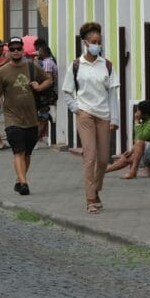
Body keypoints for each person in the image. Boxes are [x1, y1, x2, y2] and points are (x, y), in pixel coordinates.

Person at [0, 36, 52, 195]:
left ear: (22, 50)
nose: (15, 51)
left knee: (27, 153)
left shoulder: (32, 67)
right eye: (12, 49)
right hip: (12, 118)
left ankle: (19, 179)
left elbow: (48, 79)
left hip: (31, 118)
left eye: (18, 49)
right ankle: (24, 183)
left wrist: (40, 86)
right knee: (18, 151)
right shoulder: (1, 72)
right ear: (8, 51)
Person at [63, 22, 120, 214]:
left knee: (104, 159)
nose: (97, 45)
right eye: (93, 42)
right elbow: (67, 92)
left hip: (103, 114)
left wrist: (115, 119)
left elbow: (112, 94)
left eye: (99, 42)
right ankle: (90, 199)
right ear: (85, 43)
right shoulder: (76, 65)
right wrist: (76, 109)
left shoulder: (108, 65)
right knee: (90, 156)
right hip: (85, 113)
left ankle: (96, 189)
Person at [107, 101, 150, 179]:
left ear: (146, 114)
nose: (136, 113)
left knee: (139, 143)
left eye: (138, 111)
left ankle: (133, 171)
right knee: (127, 157)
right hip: (143, 150)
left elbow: (141, 137)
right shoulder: (143, 120)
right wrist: (132, 150)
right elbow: (136, 138)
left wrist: (137, 122)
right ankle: (103, 171)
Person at [34, 40, 58, 143]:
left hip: (47, 93)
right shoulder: (48, 61)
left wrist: (39, 88)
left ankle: (34, 140)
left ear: (44, 52)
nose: (38, 53)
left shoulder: (47, 63)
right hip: (46, 93)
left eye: (40, 51)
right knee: (42, 116)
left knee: (43, 116)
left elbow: (48, 80)